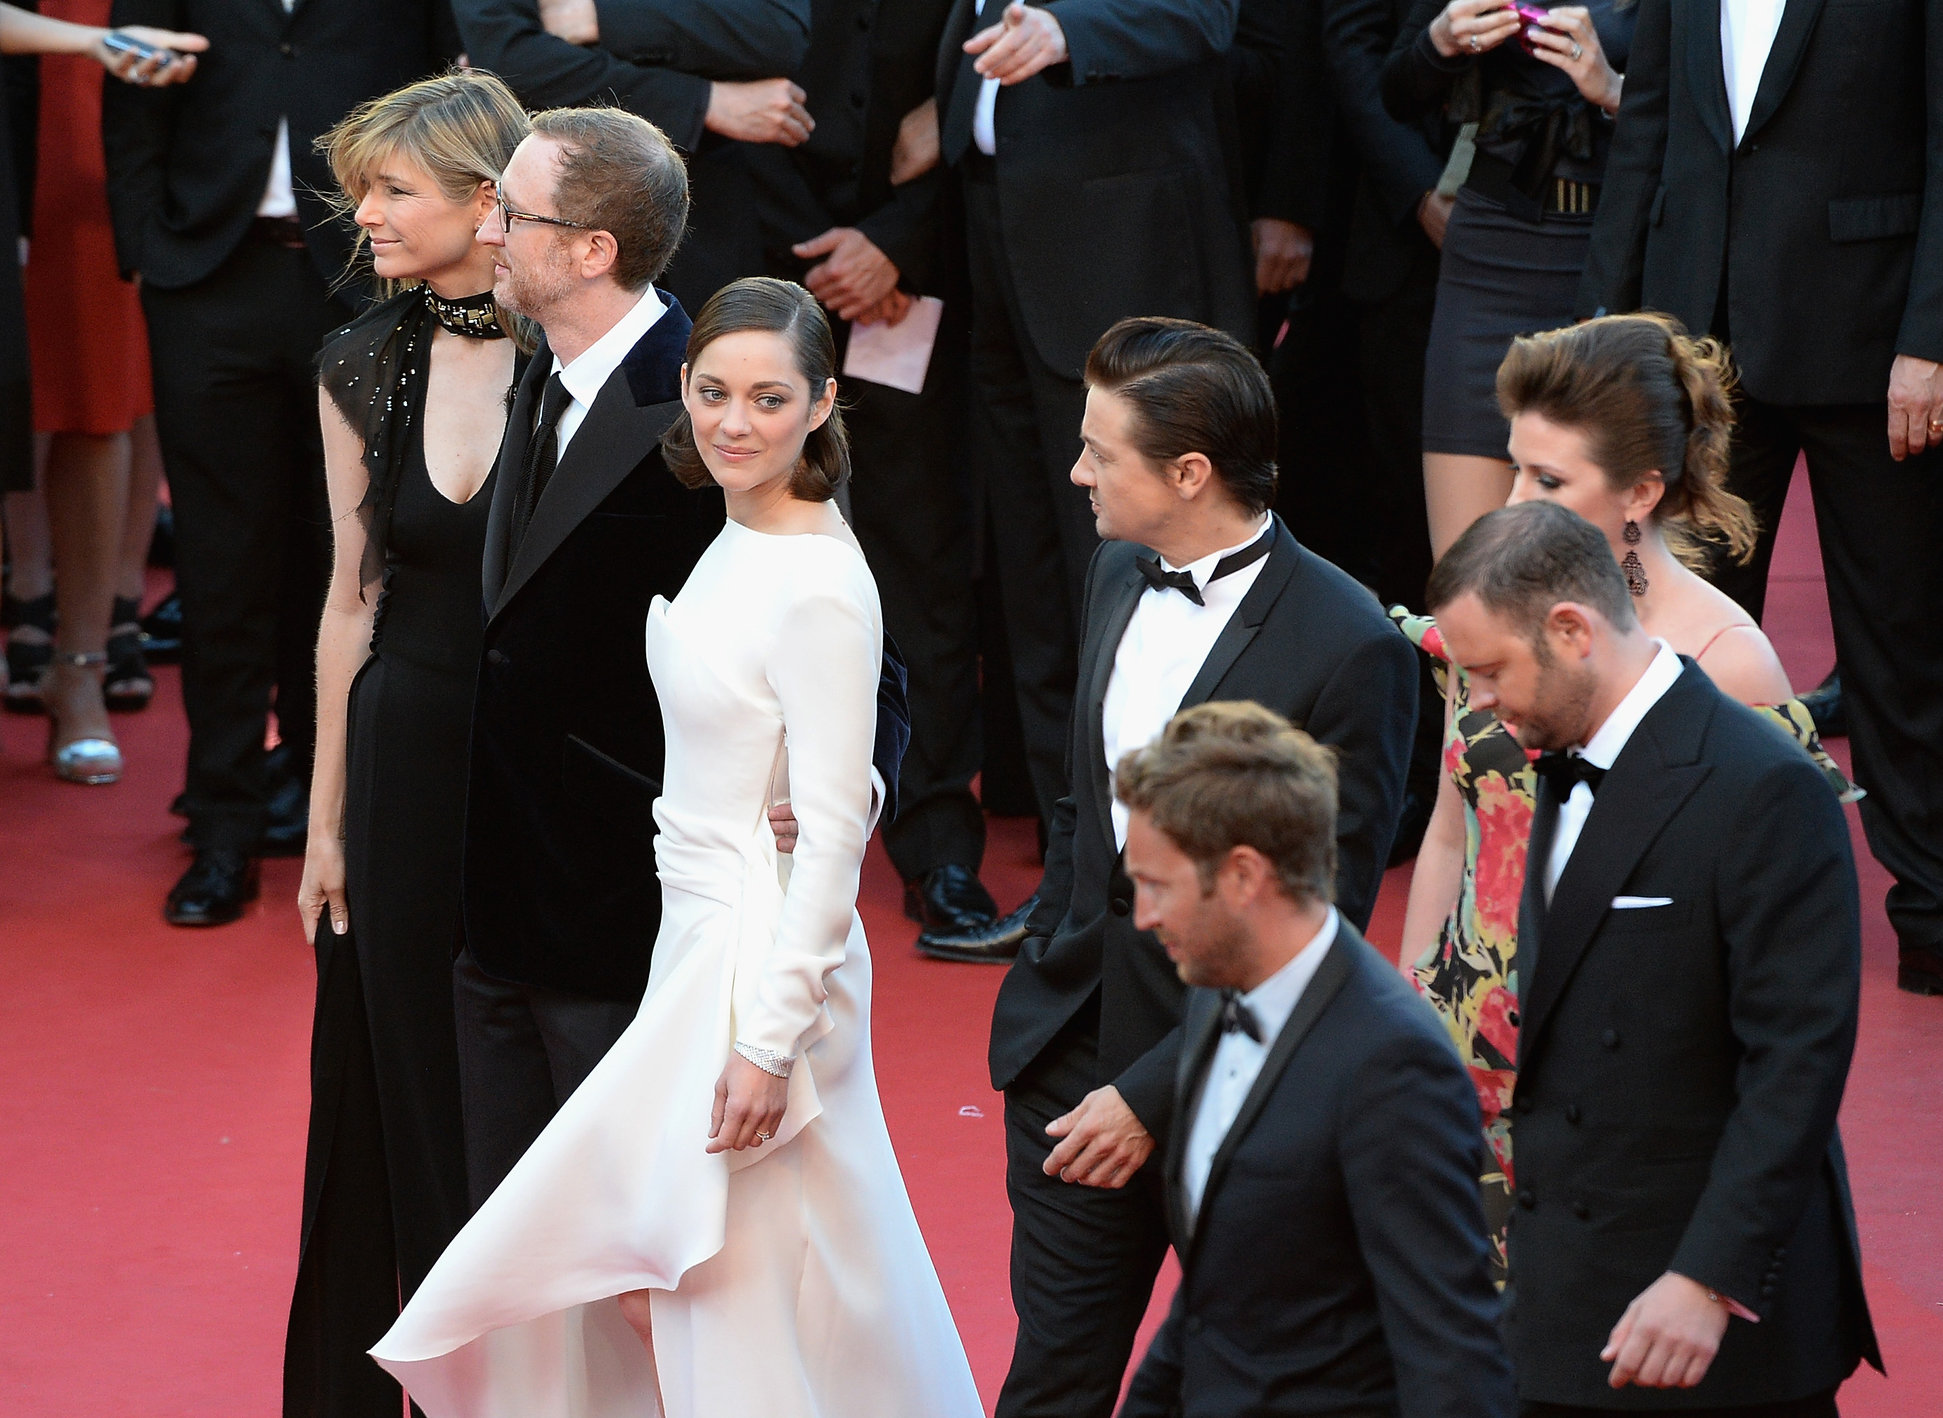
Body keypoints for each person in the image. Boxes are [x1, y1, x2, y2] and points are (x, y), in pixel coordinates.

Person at [370, 275, 980, 1418]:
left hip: (753, 962)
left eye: (768, 398)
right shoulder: (740, 529)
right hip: (691, 935)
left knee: (712, 1287)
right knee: (698, 1282)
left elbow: (831, 846)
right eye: (711, 392)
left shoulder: (817, 579)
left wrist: (768, 1042)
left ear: (822, 403)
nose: (732, 423)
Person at [442, 106, 905, 1210]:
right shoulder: (533, 368)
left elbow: (857, 635)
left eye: (510, 212)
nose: (487, 230)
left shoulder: (718, 405)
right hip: (496, 904)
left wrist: (849, 782)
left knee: (627, 1249)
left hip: (627, 923)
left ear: (589, 250)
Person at [976, 317, 1417, 1418]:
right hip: (1066, 1058)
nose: (1075, 472)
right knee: (1052, 1381)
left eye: (1099, 452)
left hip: (1233, 1086)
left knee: (1239, 1388)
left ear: (1187, 472)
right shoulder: (1113, 570)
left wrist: (1151, 1091)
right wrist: (1050, 954)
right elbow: (1081, 807)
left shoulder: (1351, 645)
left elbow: (1323, 924)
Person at [1395, 313, 1855, 1281]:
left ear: (1640, 492)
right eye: (1513, 469)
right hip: (1459, 1061)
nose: (1512, 502)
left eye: (1547, 481)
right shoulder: (1488, 615)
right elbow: (1448, 830)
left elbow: (1774, 968)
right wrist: (1410, 1020)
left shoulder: (1726, 664)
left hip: (1606, 1102)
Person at [1428, 500, 1880, 1415]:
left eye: (1490, 671)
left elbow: (1795, 1064)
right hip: (1559, 1306)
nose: (1476, 703)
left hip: (1706, 1329)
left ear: (1571, 632)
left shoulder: (1763, 789)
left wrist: (1707, 1279)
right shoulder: (1554, 755)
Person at [577, 0, 1004, 943]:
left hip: (899, 286)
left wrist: (897, 241)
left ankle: (936, 844)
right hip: (732, 271)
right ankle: (675, 833)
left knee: (918, 560)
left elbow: (966, 106)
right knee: (697, 551)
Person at [1577, 0, 1943, 999]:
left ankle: (1930, 906)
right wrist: (1604, 324)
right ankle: (1677, 892)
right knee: (1673, 638)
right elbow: (1648, 127)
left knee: (1902, 641)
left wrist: (1930, 335)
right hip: (1699, 344)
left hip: (1870, 340)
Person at [282, 71, 530, 1418]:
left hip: (549, 772)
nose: (361, 214)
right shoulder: (359, 361)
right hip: (402, 759)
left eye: (392, 189)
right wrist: (324, 825)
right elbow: (349, 600)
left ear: (489, 202)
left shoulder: (583, 359)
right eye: (360, 189)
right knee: (388, 1089)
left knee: (522, 1087)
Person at [103, 0, 459, 925]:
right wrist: (142, 245)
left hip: (360, 281)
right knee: (218, 561)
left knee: (345, 554)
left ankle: (322, 805)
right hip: (206, 279)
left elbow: (446, 88)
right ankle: (221, 823)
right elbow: (131, 89)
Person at [1112, 701, 1516, 1418]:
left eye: (1157, 886)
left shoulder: (1392, 1066)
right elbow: (1214, 1297)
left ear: (1243, 875)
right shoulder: (1214, 992)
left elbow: (1448, 1347)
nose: (1143, 916)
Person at [935, 0, 1255, 841]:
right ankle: (1070, 854)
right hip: (993, 224)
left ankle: (1149, 850)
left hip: (1117, 244)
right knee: (1035, 578)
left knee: (1126, 570)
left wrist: (1068, 32)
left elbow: (1206, 12)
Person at [0, 1, 200, 776]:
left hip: (108, 94)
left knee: (97, 387)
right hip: (57, 65)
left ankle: (82, 658)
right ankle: (32, 598)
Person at [1382, 0, 1630, 558]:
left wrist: (1614, 90)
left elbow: (1717, 122)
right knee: (1468, 566)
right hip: (1489, 258)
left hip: (1616, 255)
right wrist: (1442, 40)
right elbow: (1397, 93)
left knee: (1600, 567)